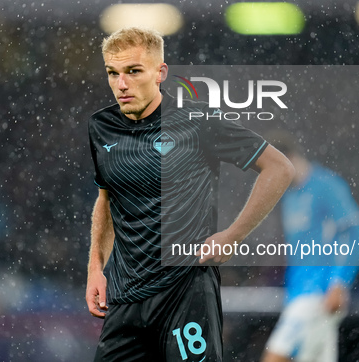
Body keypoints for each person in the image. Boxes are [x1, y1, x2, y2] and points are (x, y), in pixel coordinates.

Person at [85, 26, 295, 361]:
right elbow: (108, 198)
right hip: (125, 299)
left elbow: (279, 168)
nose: (121, 84)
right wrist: (96, 267)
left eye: (133, 71)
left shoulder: (199, 122)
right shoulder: (102, 127)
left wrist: (233, 235)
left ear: (160, 73)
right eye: (113, 73)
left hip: (185, 293)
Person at [260, 130, 359, 362]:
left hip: (318, 294)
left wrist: (339, 284)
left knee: (275, 357)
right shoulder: (289, 195)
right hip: (300, 293)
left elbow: (357, 234)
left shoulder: (327, 186)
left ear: (288, 159)